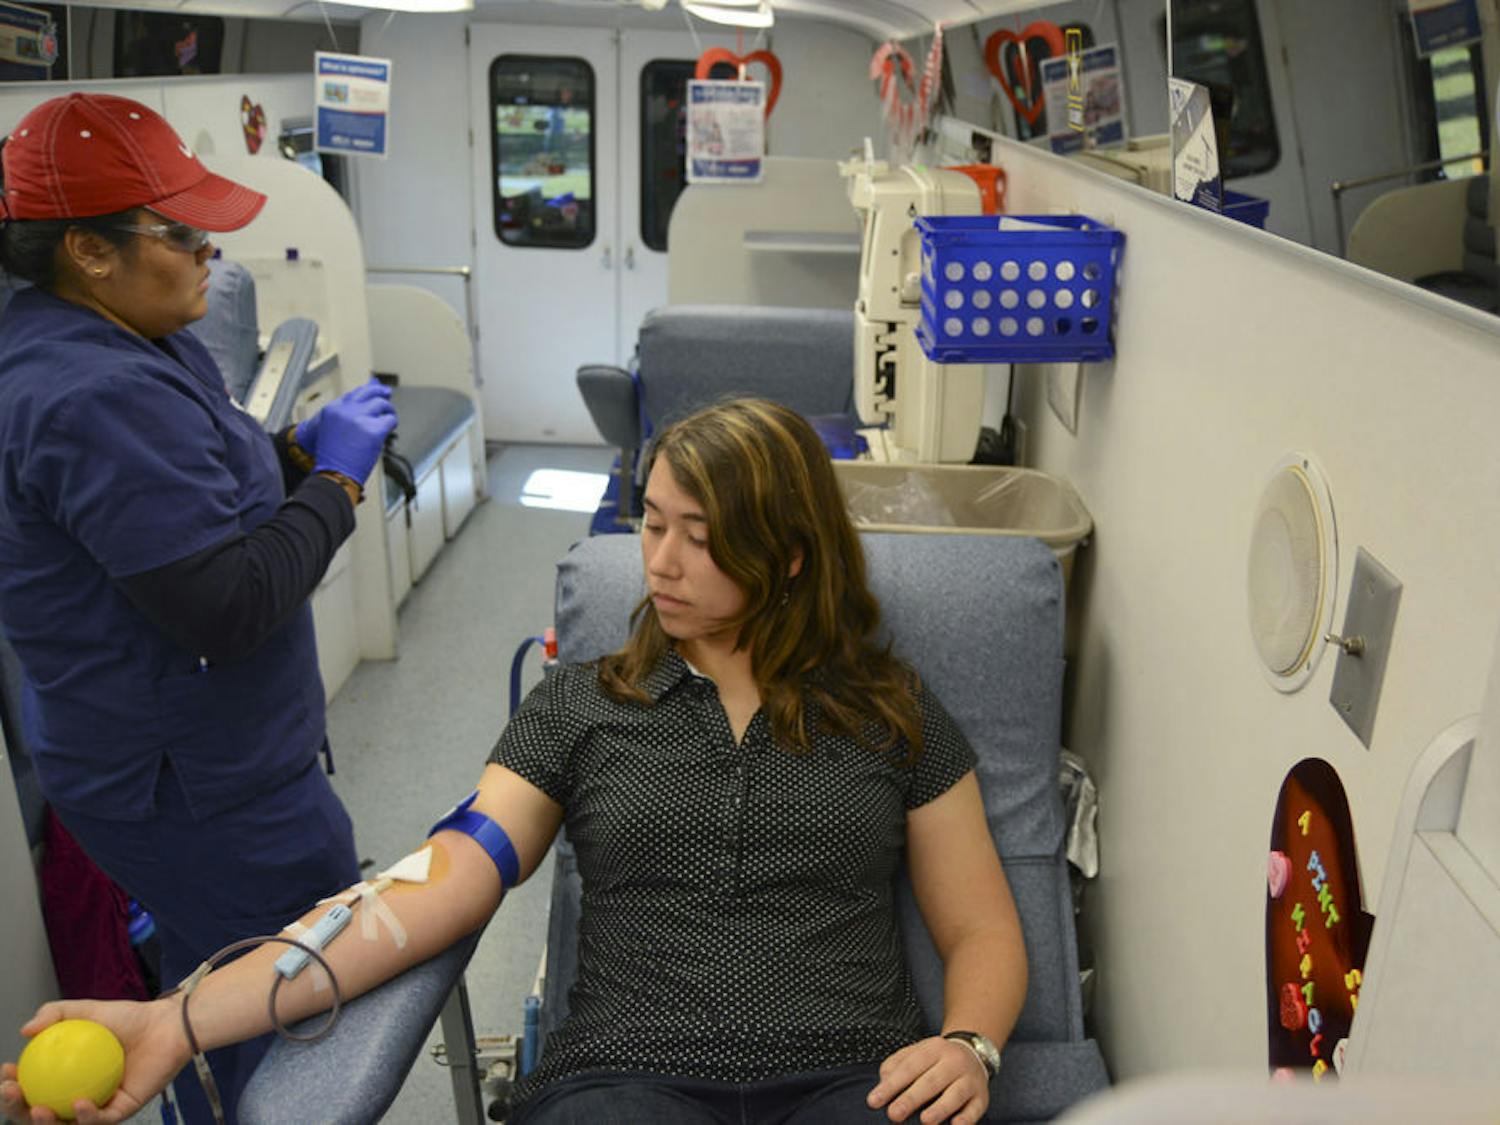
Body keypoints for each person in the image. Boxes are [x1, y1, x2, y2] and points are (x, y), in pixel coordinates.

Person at [1, 398, 1025, 1125]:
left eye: (698, 538)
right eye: (652, 522)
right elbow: (424, 893)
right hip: (628, 1082)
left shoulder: (892, 714)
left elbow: (978, 924)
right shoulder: (583, 705)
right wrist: (179, 1021)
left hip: (856, 1078)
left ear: (791, 554)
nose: (657, 560)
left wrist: (967, 1044)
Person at [0, 93, 396, 1123]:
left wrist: (294, 453)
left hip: (190, 754)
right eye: (181, 233)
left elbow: (203, 491)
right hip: (199, 784)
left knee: (209, 972)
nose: (210, 251)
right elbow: (228, 603)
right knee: (283, 994)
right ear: (89, 251)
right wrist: (340, 489)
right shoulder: (89, 394)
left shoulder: (137, 335)